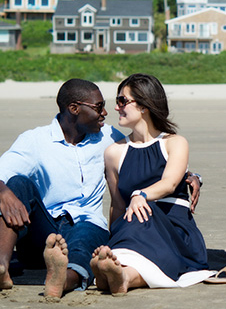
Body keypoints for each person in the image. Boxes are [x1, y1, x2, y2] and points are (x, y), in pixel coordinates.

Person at [0, 79, 200, 299]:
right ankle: (1, 268)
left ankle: (62, 280)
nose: (106, 112)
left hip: (86, 224)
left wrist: (189, 176)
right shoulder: (35, 140)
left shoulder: (109, 137)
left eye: (115, 102)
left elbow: (148, 154)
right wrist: (4, 193)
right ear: (74, 108)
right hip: (42, 232)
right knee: (15, 184)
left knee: (87, 235)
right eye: (99, 107)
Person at [90, 74, 211, 294]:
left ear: (144, 105)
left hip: (173, 228)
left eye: (122, 101)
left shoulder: (174, 143)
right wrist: (113, 239)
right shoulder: (114, 153)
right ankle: (118, 274)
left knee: (143, 216)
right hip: (134, 225)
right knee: (130, 232)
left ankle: (116, 275)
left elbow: (169, 183)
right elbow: (117, 205)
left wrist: (140, 195)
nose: (117, 108)